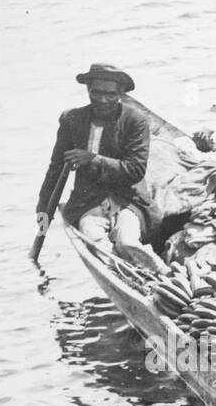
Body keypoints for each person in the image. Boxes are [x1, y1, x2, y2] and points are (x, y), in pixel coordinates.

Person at [36, 63, 164, 274]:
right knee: (96, 242)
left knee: (127, 242)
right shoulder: (72, 120)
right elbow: (55, 169)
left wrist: (93, 159)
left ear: (121, 94)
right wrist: (43, 212)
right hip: (89, 202)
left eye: (110, 94)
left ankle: (162, 274)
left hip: (129, 200)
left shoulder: (135, 121)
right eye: (97, 92)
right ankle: (125, 276)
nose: (102, 100)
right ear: (88, 90)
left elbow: (135, 170)